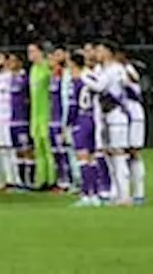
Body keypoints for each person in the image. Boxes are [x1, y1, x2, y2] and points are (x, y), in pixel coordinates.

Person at [85, 40, 130, 206]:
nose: (97, 53)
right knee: (109, 155)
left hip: (117, 115)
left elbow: (100, 87)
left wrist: (84, 77)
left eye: (100, 50)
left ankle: (125, 195)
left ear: (109, 52)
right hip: (105, 117)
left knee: (118, 154)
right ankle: (115, 193)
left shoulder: (116, 69)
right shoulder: (101, 69)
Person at [66, 51, 102, 207]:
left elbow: (72, 105)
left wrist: (68, 124)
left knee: (82, 159)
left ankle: (87, 195)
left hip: (81, 120)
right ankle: (96, 194)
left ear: (73, 63)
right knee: (92, 159)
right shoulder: (90, 77)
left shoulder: (76, 81)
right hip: (93, 119)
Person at [119, 50, 148, 206]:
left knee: (133, 152)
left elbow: (134, 80)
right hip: (124, 114)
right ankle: (126, 192)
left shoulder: (127, 70)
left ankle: (139, 193)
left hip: (133, 115)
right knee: (122, 153)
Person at [27, 42, 55, 191]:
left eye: (32, 51)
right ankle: (42, 180)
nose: (30, 54)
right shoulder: (33, 70)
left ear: (40, 52)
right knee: (39, 150)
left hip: (46, 114)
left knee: (49, 149)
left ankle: (53, 180)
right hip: (35, 116)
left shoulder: (47, 67)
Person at [6, 53, 33, 190]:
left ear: (20, 63)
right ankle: (21, 181)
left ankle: (30, 181)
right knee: (18, 151)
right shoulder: (10, 79)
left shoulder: (25, 79)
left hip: (23, 119)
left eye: (13, 61)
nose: (10, 64)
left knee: (27, 149)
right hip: (13, 120)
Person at [50, 46, 74, 190]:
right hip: (53, 118)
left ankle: (71, 180)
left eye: (58, 54)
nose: (55, 58)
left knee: (65, 150)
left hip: (62, 118)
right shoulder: (54, 75)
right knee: (56, 151)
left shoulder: (68, 74)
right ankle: (61, 179)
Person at [0, 51, 15, 190]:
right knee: (2, 149)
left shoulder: (13, 77)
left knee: (11, 148)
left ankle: (15, 179)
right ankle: (7, 179)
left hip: (9, 117)